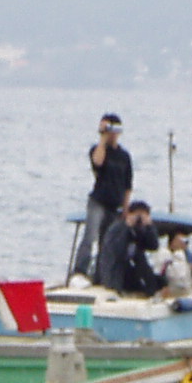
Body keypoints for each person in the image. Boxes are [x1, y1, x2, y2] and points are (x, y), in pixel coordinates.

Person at [73, 113, 132, 280]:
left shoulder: (124, 156)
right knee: (90, 236)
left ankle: (101, 275)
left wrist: (126, 208)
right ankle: (79, 271)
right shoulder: (98, 150)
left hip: (115, 205)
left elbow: (128, 184)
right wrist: (102, 137)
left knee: (107, 243)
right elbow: (97, 162)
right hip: (98, 201)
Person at [95, 201, 163, 297]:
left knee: (144, 266)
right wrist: (126, 227)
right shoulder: (117, 228)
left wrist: (149, 226)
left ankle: (150, 290)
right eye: (136, 215)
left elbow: (154, 246)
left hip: (131, 271)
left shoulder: (140, 231)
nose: (138, 219)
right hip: (113, 272)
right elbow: (117, 251)